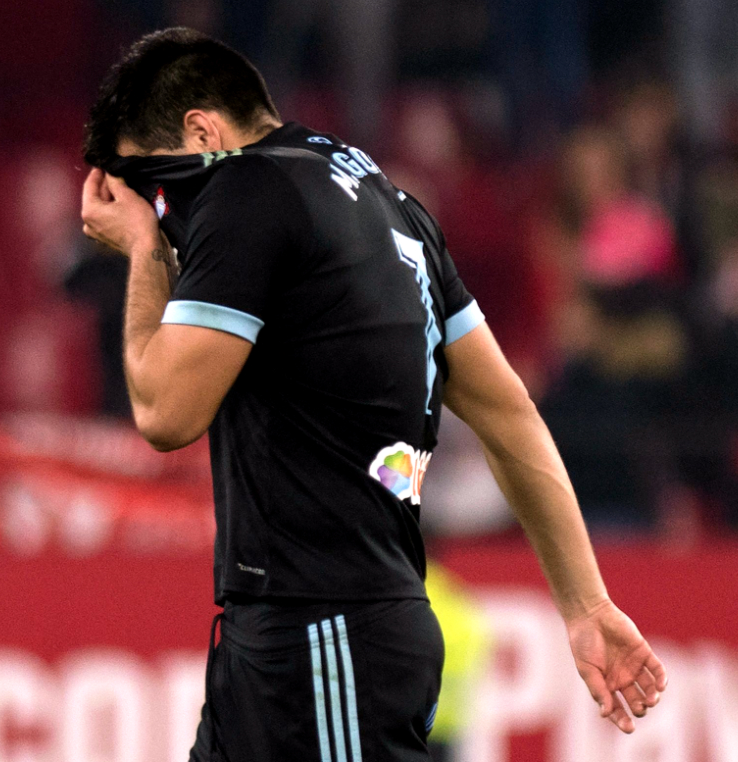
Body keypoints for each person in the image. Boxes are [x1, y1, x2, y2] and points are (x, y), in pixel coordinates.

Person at [80, 28, 667, 762]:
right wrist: (586, 605)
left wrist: (144, 253)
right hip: (323, 627)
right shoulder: (391, 203)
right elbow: (509, 412)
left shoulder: (244, 189)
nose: (159, 208)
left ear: (204, 131)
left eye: (150, 183)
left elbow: (166, 413)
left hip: (322, 632)